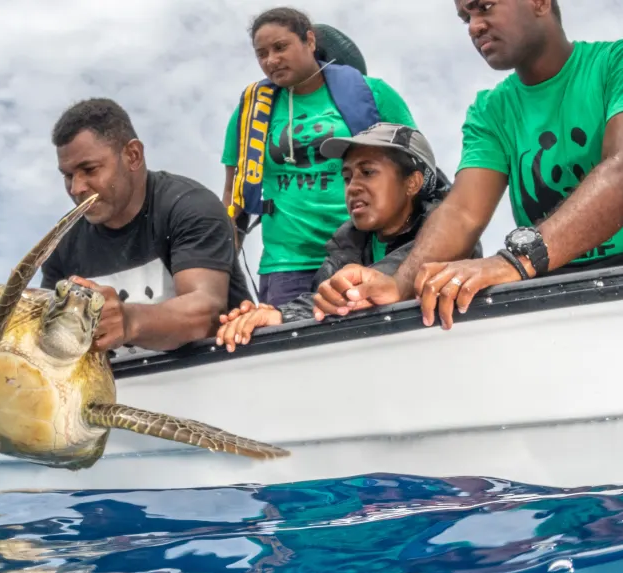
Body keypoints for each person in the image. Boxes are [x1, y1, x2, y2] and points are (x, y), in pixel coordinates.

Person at [311, 0, 623, 330]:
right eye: (465, 17)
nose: (474, 26)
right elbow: (462, 212)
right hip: (548, 273)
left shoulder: (621, 63)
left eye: (484, 7)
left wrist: (516, 261)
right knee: (448, 298)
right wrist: (398, 283)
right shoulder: (491, 110)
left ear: (540, 2)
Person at [221, 7, 420, 307]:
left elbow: (417, 167)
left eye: (280, 47)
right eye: (262, 54)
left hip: (368, 254)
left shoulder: (374, 93)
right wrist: (219, 271)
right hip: (287, 264)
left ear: (310, 41)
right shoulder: (250, 115)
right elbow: (232, 199)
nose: (271, 60)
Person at [216, 123, 467, 351]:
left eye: (367, 172)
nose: (352, 187)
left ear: (412, 183)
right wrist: (270, 315)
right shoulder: (347, 244)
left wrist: (283, 316)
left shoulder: (451, 240)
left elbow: (369, 287)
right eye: (347, 177)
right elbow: (323, 300)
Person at [40, 97, 253, 355]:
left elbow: (207, 311)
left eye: (90, 169)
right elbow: (46, 331)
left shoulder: (190, 206)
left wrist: (129, 321)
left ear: (133, 155)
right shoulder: (62, 243)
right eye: (68, 175)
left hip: (220, 373)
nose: (76, 188)